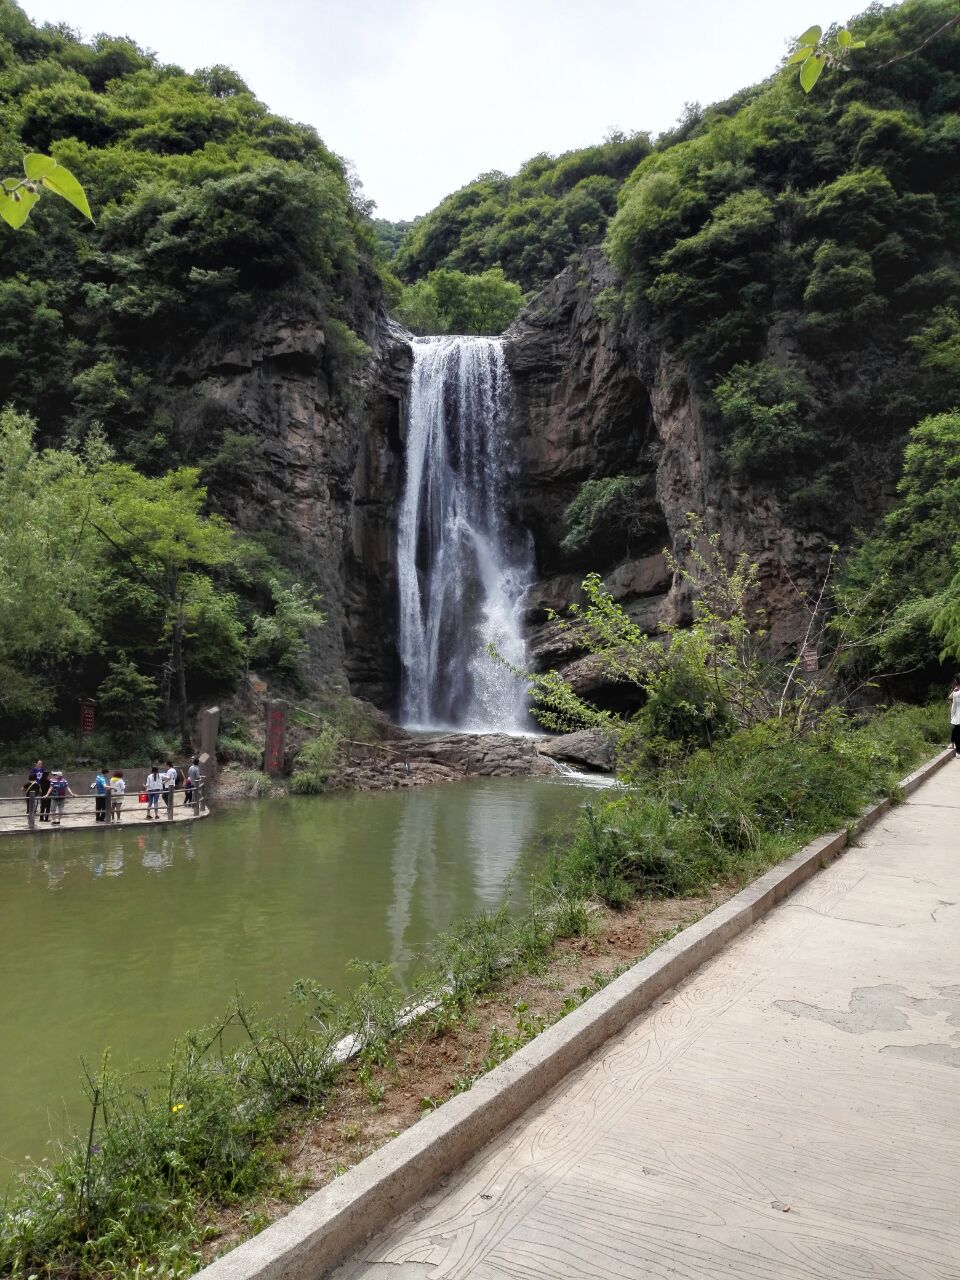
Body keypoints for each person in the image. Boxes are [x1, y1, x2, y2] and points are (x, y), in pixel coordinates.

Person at [950, 678, 960, 757]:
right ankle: (957, 750)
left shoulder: (956, 693)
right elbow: (954, 705)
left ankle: (957, 750)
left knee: (956, 731)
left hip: (957, 714)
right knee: (956, 731)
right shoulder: (956, 694)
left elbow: (954, 706)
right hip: (958, 714)